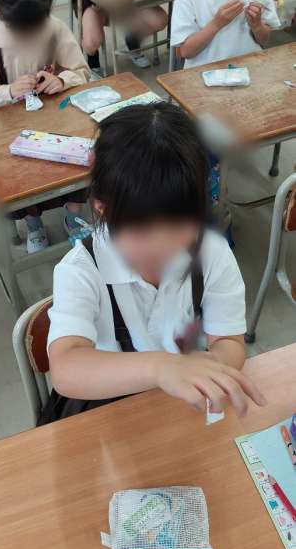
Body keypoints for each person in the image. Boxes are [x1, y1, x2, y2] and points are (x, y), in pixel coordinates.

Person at [39, 102, 267, 424]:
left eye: (179, 224)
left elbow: (229, 342)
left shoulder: (212, 253)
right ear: (102, 207)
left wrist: (208, 370)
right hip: (108, 413)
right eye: (142, 230)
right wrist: (161, 368)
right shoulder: (81, 271)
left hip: (181, 408)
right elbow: (66, 369)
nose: (163, 245)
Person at [0, 0, 91, 253]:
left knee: (84, 157)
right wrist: (9, 91)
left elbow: (81, 70)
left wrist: (61, 79)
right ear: (1, 13)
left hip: (57, 119)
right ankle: (33, 223)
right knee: (17, 174)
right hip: (8, 127)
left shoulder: (55, 30)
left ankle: (73, 216)